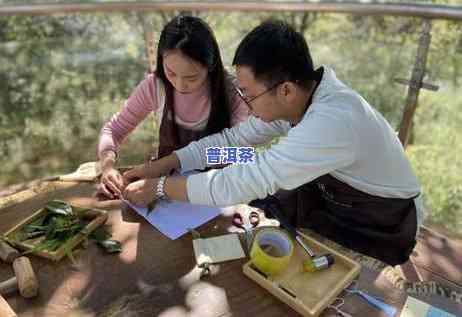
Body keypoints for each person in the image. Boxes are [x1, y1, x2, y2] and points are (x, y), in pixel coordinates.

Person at [122, 20, 423, 265]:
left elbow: (246, 177)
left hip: (379, 217)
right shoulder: (299, 99)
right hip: (333, 196)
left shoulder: (332, 121)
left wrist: (159, 188)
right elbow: (232, 142)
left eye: (249, 94)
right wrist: (164, 165)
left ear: (286, 90)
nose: (246, 105)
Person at [97, 15, 249, 199]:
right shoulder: (155, 86)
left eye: (191, 77)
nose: (180, 84)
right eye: (171, 72)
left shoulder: (234, 92)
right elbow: (113, 130)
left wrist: (170, 166)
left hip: (219, 193)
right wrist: (107, 166)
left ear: (211, 66)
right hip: (162, 196)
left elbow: (242, 154)